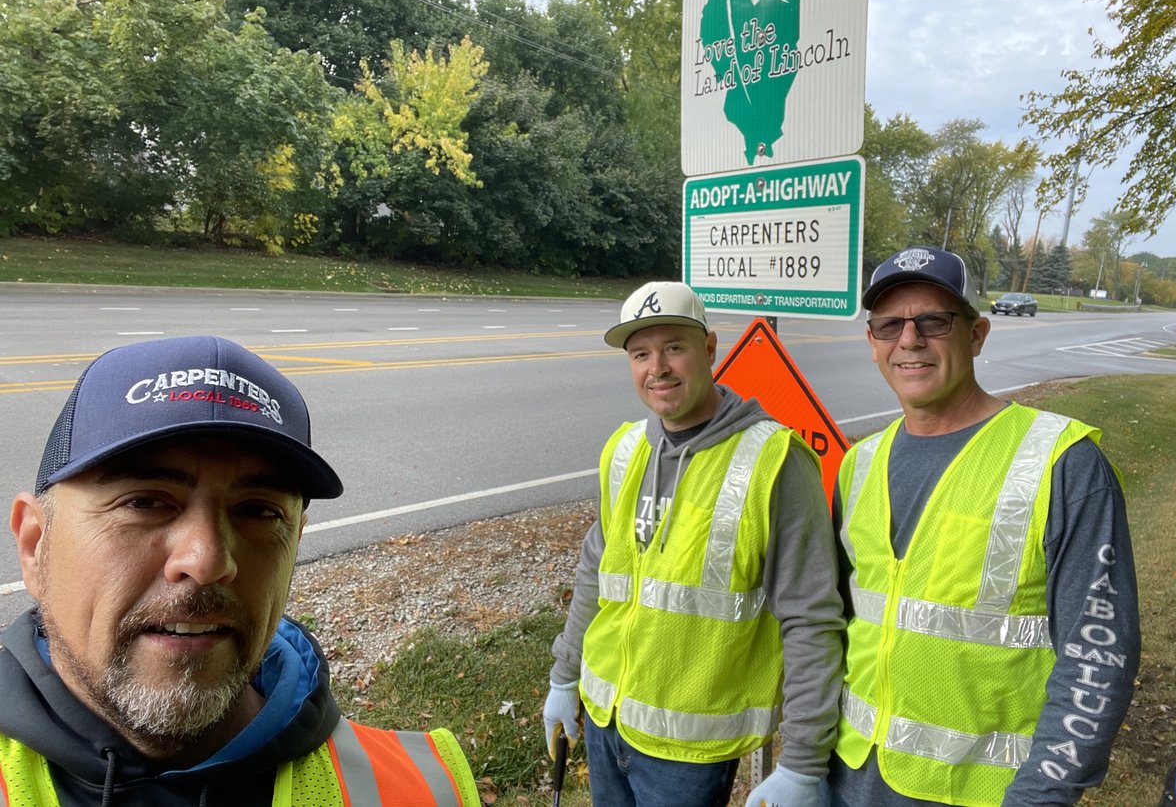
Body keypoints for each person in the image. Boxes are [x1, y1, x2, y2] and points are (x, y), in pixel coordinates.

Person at [1, 335, 480, 806]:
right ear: (34, 544)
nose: (207, 562)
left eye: (259, 511)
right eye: (144, 502)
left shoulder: (421, 790)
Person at [828, 246, 1140, 807]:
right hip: (851, 779)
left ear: (976, 335)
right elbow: (841, 623)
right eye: (889, 325)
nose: (910, 340)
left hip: (983, 792)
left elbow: (1097, 656)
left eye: (933, 321)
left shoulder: (1060, 462)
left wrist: (1040, 796)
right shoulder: (860, 464)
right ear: (872, 342)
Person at [542, 281, 844, 807]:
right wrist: (565, 676)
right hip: (605, 718)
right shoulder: (625, 449)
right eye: (640, 353)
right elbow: (596, 572)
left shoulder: (774, 459)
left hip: (690, 752)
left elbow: (810, 617)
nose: (656, 367)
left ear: (709, 348)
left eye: (673, 347)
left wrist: (801, 762)